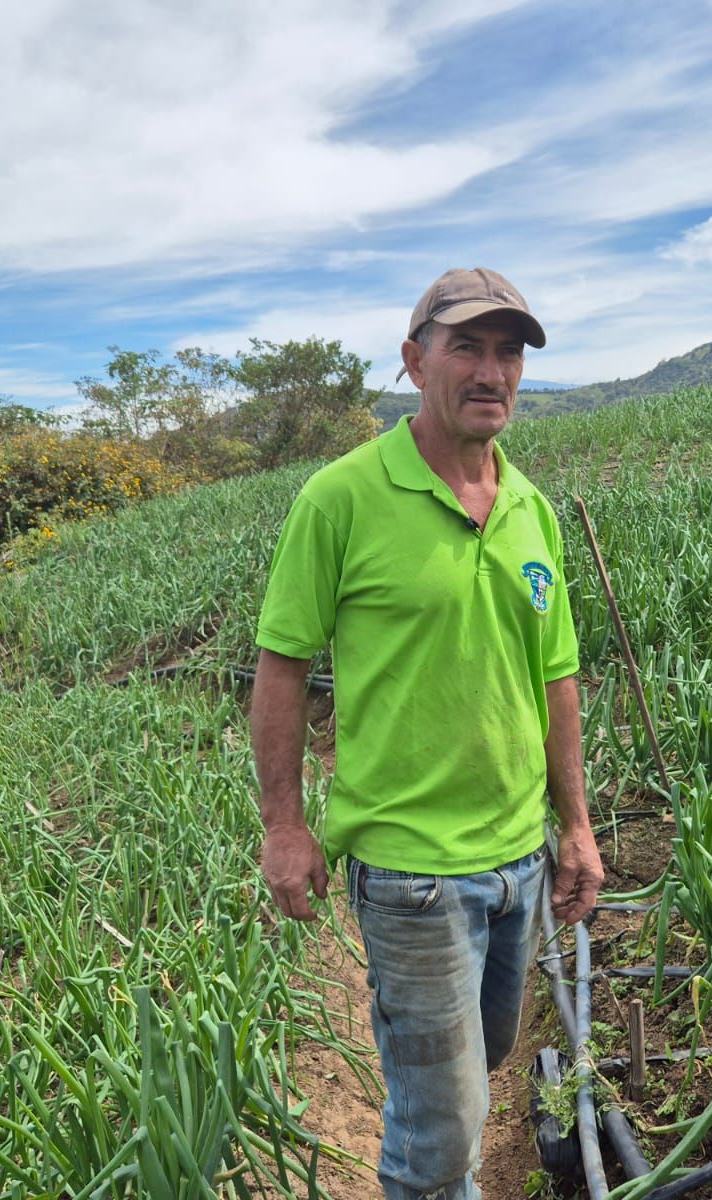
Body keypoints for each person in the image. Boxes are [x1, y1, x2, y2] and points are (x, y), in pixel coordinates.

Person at [251, 267, 604, 1199]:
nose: (492, 371)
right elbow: (282, 667)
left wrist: (574, 825)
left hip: (518, 859)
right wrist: (285, 826)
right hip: (412, 875)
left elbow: (555, 676)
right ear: (415, 362)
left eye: (509, 352)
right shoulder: (343, 496)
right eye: (467, 347)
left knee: (477, 1075)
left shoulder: (531, 508)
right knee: (436, 1138)